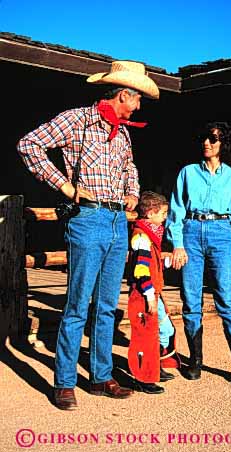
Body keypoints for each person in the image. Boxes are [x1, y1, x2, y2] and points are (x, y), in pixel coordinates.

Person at [17, 60, 160, 410]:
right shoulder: (77, 119)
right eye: (138, 98)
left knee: (108, 306)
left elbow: (130, 167)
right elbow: (29, 145)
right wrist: (65, 186)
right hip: (88, 218)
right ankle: (65, 381)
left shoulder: (122, 132)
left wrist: (131, 192)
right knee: (78, 305)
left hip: (115, 221)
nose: (139, 105)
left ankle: (100, 376)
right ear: (124, 94)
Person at [166, 121, 231, 385]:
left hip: (221, 233)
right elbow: (176, 210)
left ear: (223, 144)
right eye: (204, 138)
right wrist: (177, 243)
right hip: (191, 232)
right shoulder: (188, 173)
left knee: (227, 299)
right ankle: (195, 361)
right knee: (191, 299)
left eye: (213, 139)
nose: (207, 143)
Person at [127, 191, 180, 394]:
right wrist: (149, 295)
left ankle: (154, 367)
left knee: (161, 330)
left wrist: (167, 261)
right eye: (163, 213)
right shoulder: (141, 237)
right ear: (150, 213)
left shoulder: (150, 236)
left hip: (152, 291)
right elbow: (141, 269)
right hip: (145, 294)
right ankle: (144, 376)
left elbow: (151, 264)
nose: (165, 217)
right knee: (146, 335)